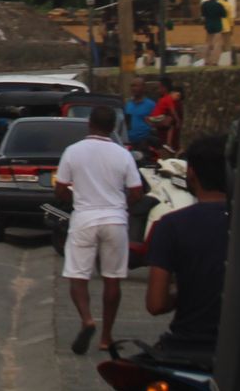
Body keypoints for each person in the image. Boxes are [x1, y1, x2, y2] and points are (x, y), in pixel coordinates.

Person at [54, 105, 145, 355]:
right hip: (115, 219)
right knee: (112, 278)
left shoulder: (73, 151)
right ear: (113, 127)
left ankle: (87, 319)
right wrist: (121, 205)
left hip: (84, 217)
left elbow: (60, 189)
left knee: (77, 275)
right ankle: (106, 337)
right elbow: (136, 191)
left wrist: (71, 197)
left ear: (89, 124)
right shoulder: (123, 154)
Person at [143, 135, 230, 366]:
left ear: (191, 172)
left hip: (186, 348)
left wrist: (185, 291)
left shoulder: (171, 226)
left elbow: (156, 303)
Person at [147, 76, 182, 157]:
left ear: (165, 88)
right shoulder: (163, 100)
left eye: (160, 87)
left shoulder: (174, 103)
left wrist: (153, 123)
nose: (158, 90)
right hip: (162, 142)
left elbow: (167, 122)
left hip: (170, 146)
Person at [123, 78, 157, 153]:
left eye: (136, 86)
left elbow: (155, 123)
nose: (133, 88)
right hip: (129, 144)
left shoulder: (151, 105)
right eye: (132, 86)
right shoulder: (128, 105)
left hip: (144, 144)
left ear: (143, 88)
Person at [200, 0, 229, 64]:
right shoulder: (219, 5)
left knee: (207, 43)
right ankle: (215, 61)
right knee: (217, 44)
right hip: (217, 26)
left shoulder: (204, 4)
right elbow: (224, 15)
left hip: (208, 25)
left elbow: (203, 17)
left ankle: (206, 60)